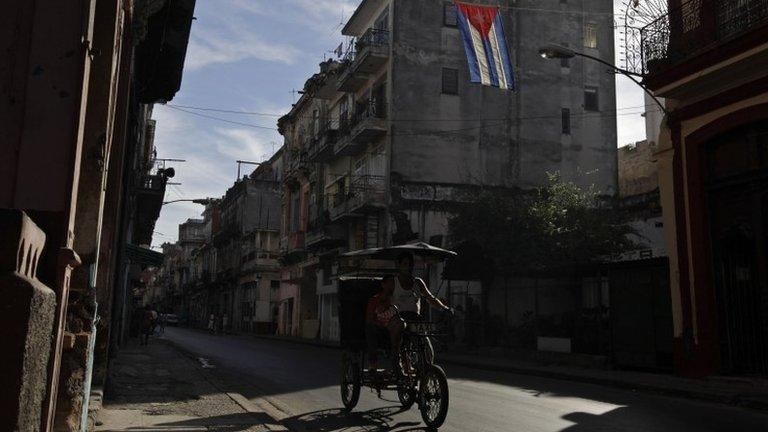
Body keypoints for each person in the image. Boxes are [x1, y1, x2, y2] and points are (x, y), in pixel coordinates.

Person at [384, 252, 452, 373]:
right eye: (405, 264)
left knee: (427, 346)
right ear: (398, 265)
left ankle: (427, 371)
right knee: (399, 332)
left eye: (410, 264)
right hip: (397, 318)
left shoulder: (418, 282)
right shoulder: (392, 282)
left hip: (415, 319)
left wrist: (444, 308)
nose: (408, 266)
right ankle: (396, 359)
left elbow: (431, 298)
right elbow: (384, 301)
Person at [365, 278, 396, 372]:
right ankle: (373, 364)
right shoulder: (374, 300)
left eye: (393, 284)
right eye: (390, 283)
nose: (392, 286)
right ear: (383, 285)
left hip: (393, 329)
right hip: (379, 330)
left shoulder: (395, 298)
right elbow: (369, 319)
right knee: (370, 328)